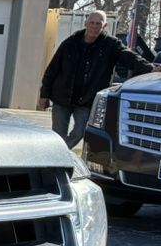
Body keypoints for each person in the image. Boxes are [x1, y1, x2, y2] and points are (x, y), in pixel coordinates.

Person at [38, 10, 152, 146]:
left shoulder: (111, 45)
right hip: (62, 98)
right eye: (92, 23)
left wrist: (150, 68)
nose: (94, 26)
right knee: (58, 135)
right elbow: (52, 69)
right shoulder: (70, 43)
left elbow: (131, 58)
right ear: (86, 24)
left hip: (86, 100)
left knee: (79, 133)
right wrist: (44, 94)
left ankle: (59, 155)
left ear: (105, 26)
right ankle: (56, 161)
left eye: (99, 24)